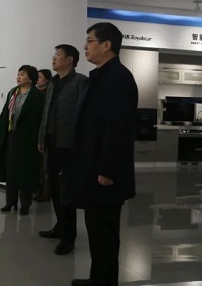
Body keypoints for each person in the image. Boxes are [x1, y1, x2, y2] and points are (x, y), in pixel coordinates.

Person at [71, 23, 138, 286]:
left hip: (105, 173)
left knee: (105, 236)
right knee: (96, 232)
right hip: (92, 168)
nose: (85, 46)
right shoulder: (100, 76)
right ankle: (97, 279)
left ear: (106, 45)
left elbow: (118, 128)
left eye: (90, 41)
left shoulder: (119, 78)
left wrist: (107, 170)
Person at [37, 45, 88, 256]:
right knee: (54, 189)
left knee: (67, 191)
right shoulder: (53, 83)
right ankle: (60, 226)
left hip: (69, 145)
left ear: (70, 59)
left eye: (58, 55)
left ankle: (69, 237)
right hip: (52, 142)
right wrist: (42, 137)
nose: (54, 58)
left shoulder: (81, 82)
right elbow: (46, 112)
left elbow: (84, 115)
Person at [0, 65, 44, 215]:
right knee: (10, 169)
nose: (18, 77)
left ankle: (25, 203)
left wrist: (38, 136)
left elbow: (40, 118)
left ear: (30, 78)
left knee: (25, 169)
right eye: (18, 74)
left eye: (22, 74)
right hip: (11, 135)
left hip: (28, 137)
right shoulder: (13, 92)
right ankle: (10, 201)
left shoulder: (37, 95)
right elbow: (6, 112)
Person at [33, 68, 53, 202]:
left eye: (40, 77)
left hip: (45, 133)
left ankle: (46, 192)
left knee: (46, 166)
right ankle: (38, 189)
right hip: (35, 132)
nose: (37, 80)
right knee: (38, 166)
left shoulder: (49, 94)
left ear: (46, 80)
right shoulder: (35, 93)